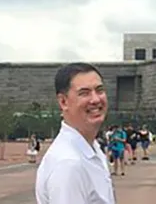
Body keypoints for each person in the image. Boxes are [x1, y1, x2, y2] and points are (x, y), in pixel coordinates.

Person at [35, 63, 115, 204]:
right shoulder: (68, 164)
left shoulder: (92, 149)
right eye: (84, 93)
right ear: (63, 102)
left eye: (99, 90)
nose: (96, 99)